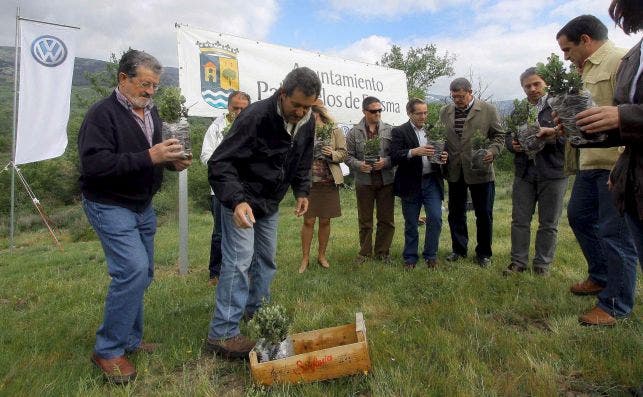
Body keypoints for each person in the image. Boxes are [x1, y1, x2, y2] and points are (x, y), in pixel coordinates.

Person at [78, 50, 192, 383]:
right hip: (109, 204)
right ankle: (108, 349)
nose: (151, 91)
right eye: (145, 84)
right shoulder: (102, 115)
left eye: (155, 85)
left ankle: (129, 339)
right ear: (123, 79)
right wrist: (149, 155)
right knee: (132, 270)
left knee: (143, 274)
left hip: (142, 205)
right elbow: (95, 166)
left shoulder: (153, 113)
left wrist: (171, 162)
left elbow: (155, 158)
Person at [205, 67, 320, 358]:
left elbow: (303, 159)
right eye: (296, 105)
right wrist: (237, 200)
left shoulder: (307, 121)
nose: (301, 112)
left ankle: (256, 312)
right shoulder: (255, 116)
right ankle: (222, 333)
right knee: (239, 261)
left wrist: (302, 191)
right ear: (282, 94)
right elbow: (220, 163)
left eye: (308, 106)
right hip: (241, 199)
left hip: (269, 201)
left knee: (266, 259)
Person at [555, 15, 637, 326]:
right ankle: (600, 275)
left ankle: (616, 304)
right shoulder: (583, 71)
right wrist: (568, 125)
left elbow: (626, 113)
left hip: (614, 163)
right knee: (578, 217)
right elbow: (589, 114)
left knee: (615, 233)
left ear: (586, 40)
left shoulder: (619, 61)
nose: (566, 56)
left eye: (567, 49)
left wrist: (620, 165)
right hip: (589, 162)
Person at [503, 68, 568, 276]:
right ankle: (518, 262)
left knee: (548, 222)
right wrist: (513, 145)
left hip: (553, 170)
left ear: (545, 83)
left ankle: (542, 265)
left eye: (536, 84)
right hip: (525, 172)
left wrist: (552, 136)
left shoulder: (559, 107)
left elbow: (572, 137)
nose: (532, 89)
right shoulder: (519, 111)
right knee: (520, 219)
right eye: (527, 86)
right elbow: (508, 137)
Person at [440, 78, 505, 267]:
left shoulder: (487, 109)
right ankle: (459, 250)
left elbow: (499, 136)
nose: (457, 100)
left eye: (461, 96)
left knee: (484, 213)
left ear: (470, 92)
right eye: (454, 97)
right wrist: (440, 153)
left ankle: (484, 253)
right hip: (454, 170)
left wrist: (492, 152)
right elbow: (441, 138)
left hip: (480, 170)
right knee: (456, 213)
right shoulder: (445, 111)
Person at [390, 98, 448, 270]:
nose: (423, 116)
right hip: (410, 182)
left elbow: (443, 151)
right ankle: (410, 258)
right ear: (409, 113)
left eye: (425, 112)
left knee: (436, 218)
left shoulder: (433, 130)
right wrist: (414, 152)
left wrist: (444, 158)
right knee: (411, 222)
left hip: (431, 181)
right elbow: (394, 156)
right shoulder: (400, 131)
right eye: (419, 113)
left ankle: (431, 255)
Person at [200, 91, 250, 286]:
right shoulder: (217, 127)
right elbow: (206, 156)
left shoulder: (253, 126)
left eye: (242, 108)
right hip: (220, 190)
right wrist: (225, 166)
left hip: (246, 190)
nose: (238, 112)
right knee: (220, 232)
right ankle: (215, 273)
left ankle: (245, 270)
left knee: (246, 230)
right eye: (234, 107)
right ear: (228, 106)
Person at [345, 97, 395, 264]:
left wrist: (385, 162)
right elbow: (347, 156)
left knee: (386, 219)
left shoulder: (389, 130)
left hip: (386, 181)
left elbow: (395, 155)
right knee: (365, 220)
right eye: (374, 111)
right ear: (364, 111)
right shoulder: (353, 132)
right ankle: (365, 253)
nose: (378, 113)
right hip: (364, 182)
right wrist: (359, 165)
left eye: (380, 110)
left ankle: (383, 252)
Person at [299, 101, 347, 273]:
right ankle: (305, 258)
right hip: (308, 181)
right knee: (309, 220)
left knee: (325, 220)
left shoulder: (334, 129)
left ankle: (321, 255)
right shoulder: (301, 128)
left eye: (309, 109)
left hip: (328, 180)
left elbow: (343, 153)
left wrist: (332, 154)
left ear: (317, 111)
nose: (305, 111)